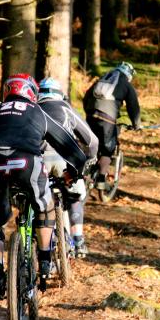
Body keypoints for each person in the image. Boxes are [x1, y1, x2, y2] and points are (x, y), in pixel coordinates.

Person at [0, 73, 87, 299]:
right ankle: (46, 260)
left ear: (7, 91)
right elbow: (68, 145)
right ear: (32, 93)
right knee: (45, 206)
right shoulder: (38, 112)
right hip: (27, 163)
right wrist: (74, 171)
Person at [38, 77, 98, 258]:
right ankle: (78, 240)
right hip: (63, 161)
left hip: (37, 161)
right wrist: (90, 159)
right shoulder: (66, 108)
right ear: (60, 94)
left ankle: (42, 242)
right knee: (76, 195)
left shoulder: (33, 109)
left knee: (38, 199)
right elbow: (91, 140)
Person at [83, 62, 141, 188]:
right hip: (107, 119)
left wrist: (88, 111)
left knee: (91, 143)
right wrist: (136, 124)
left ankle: (84, 170)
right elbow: (133, 107)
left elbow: (86, 96)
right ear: (129, 75)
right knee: (108, 148)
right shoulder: (126, 84)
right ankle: (101, 180)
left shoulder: (103, 79)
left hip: (90, 114)